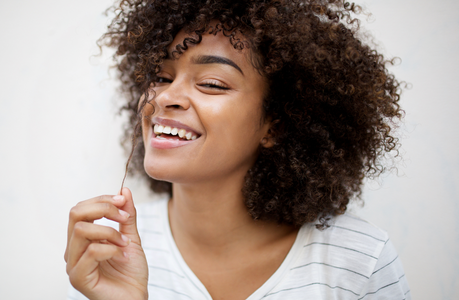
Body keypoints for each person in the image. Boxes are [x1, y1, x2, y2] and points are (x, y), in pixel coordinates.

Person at [65, 0, 410, 299]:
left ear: (276, 124)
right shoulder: (108, 255)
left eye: (211, 83)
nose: (164, 98)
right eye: (161, 77)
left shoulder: (360, 262)